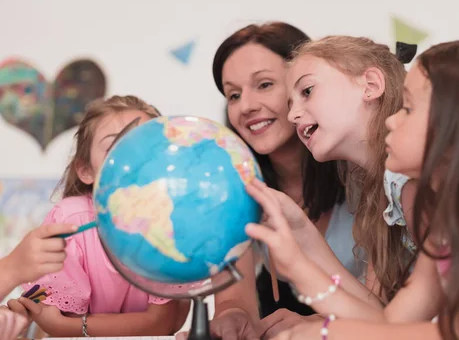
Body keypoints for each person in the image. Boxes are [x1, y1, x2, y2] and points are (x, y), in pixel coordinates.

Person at [246, 40, 459, 339]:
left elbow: (457, 334)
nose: (391, 120)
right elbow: (391, 322)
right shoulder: (445, 213)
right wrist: (300, 250)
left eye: (409, 109)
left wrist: (326, 329)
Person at [209, 22, 352, 339]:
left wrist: (321, 325)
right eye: (233, 95)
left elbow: (394, 310)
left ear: (304, 88)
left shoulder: (360, 169)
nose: (246, 106)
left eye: (264, 85)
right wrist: (232, 316)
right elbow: (234, 298)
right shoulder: (235, 188)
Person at [6, 95, 188, 337]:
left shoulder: (171, 222)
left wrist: (67, 327)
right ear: (85, 170)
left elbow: (163, 323)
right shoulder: (70, 219)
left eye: (146, 148)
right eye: (116, 148)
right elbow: (56, 322)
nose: (132, 160)